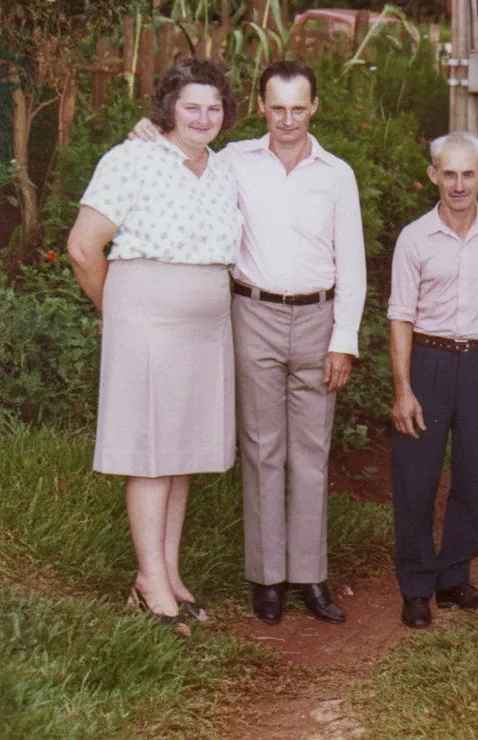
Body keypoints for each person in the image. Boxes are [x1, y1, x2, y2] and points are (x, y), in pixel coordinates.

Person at [130, 61, 367, 626]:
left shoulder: (337, 174)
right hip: (252, 313)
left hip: (318, 316)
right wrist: (147, 131)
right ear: (262, 107)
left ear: (315, 107)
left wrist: (345, 340)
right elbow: (178, 155)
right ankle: (267, 580)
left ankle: (309, 576)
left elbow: (352, 264)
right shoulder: (232, 161)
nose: (288, 120)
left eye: (298, 107)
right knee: (262, 449)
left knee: (310, 453)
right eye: (277, 107)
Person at [67, 57, 244, 636]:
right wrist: (116, 312)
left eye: (213, 107)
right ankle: (149, 584)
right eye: (191, 105)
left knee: (182, 452)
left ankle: (169, 572)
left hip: (205, 329)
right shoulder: (130, 159)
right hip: (145, 321)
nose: (202, 116)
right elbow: (82, 247)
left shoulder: (224, 169)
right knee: (149, 453)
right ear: (167, 108)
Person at [388, 131, 478, 629]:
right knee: (416, 476)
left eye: (468, 173)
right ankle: (417, 585)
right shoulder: (414, 238)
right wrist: (403, 388)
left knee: (470, 473)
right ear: (433, 177)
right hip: (429, 360)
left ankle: (455, 576)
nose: (459, 184)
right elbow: (400, 314)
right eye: (449, 173)